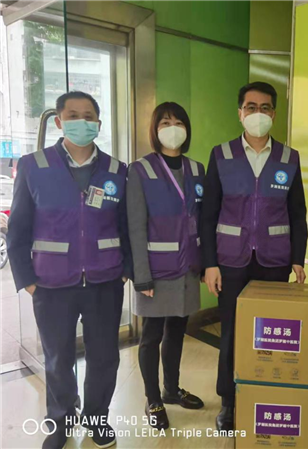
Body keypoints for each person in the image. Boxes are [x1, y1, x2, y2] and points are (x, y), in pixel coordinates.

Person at [7, 91, 131, 449]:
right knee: (58, 358)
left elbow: (126, 225)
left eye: (89, 116)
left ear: (99, 124)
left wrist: (125, 269)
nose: (82, 121)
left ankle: (97, 417)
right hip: (50, 284)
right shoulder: (33, 165)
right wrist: (27, 280)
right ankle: (61, 420)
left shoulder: (116, 170)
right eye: (73, 115)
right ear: (60, 121)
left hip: (105, 281)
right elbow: (18, 228)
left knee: (104, 356)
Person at [201, 81, 308, 431]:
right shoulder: (221, 155)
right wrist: (209, 264)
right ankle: (229, 402)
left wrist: (298, 258)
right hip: (231, 261)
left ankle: (265, 393)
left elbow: (298, 213)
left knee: (271, 333)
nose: (257, 113)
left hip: (274, 261)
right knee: (232, 333)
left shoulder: (289, 158)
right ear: (240, 113)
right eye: (251, 107)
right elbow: (208, 214)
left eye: (264, 108)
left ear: (273, 114)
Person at [127, 102, 205, 429]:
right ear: (155, 130)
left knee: (176, 332)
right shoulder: (140, 169)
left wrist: (204, 265)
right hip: (155, 271)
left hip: (187, 268)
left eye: (178, 122)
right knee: (151, 336)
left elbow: (203, 220)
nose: (172, 128)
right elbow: (135, 226)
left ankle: (171, 390)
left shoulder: (197, 169)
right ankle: (152, 399)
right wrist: (141, 275)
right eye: (165, 122)